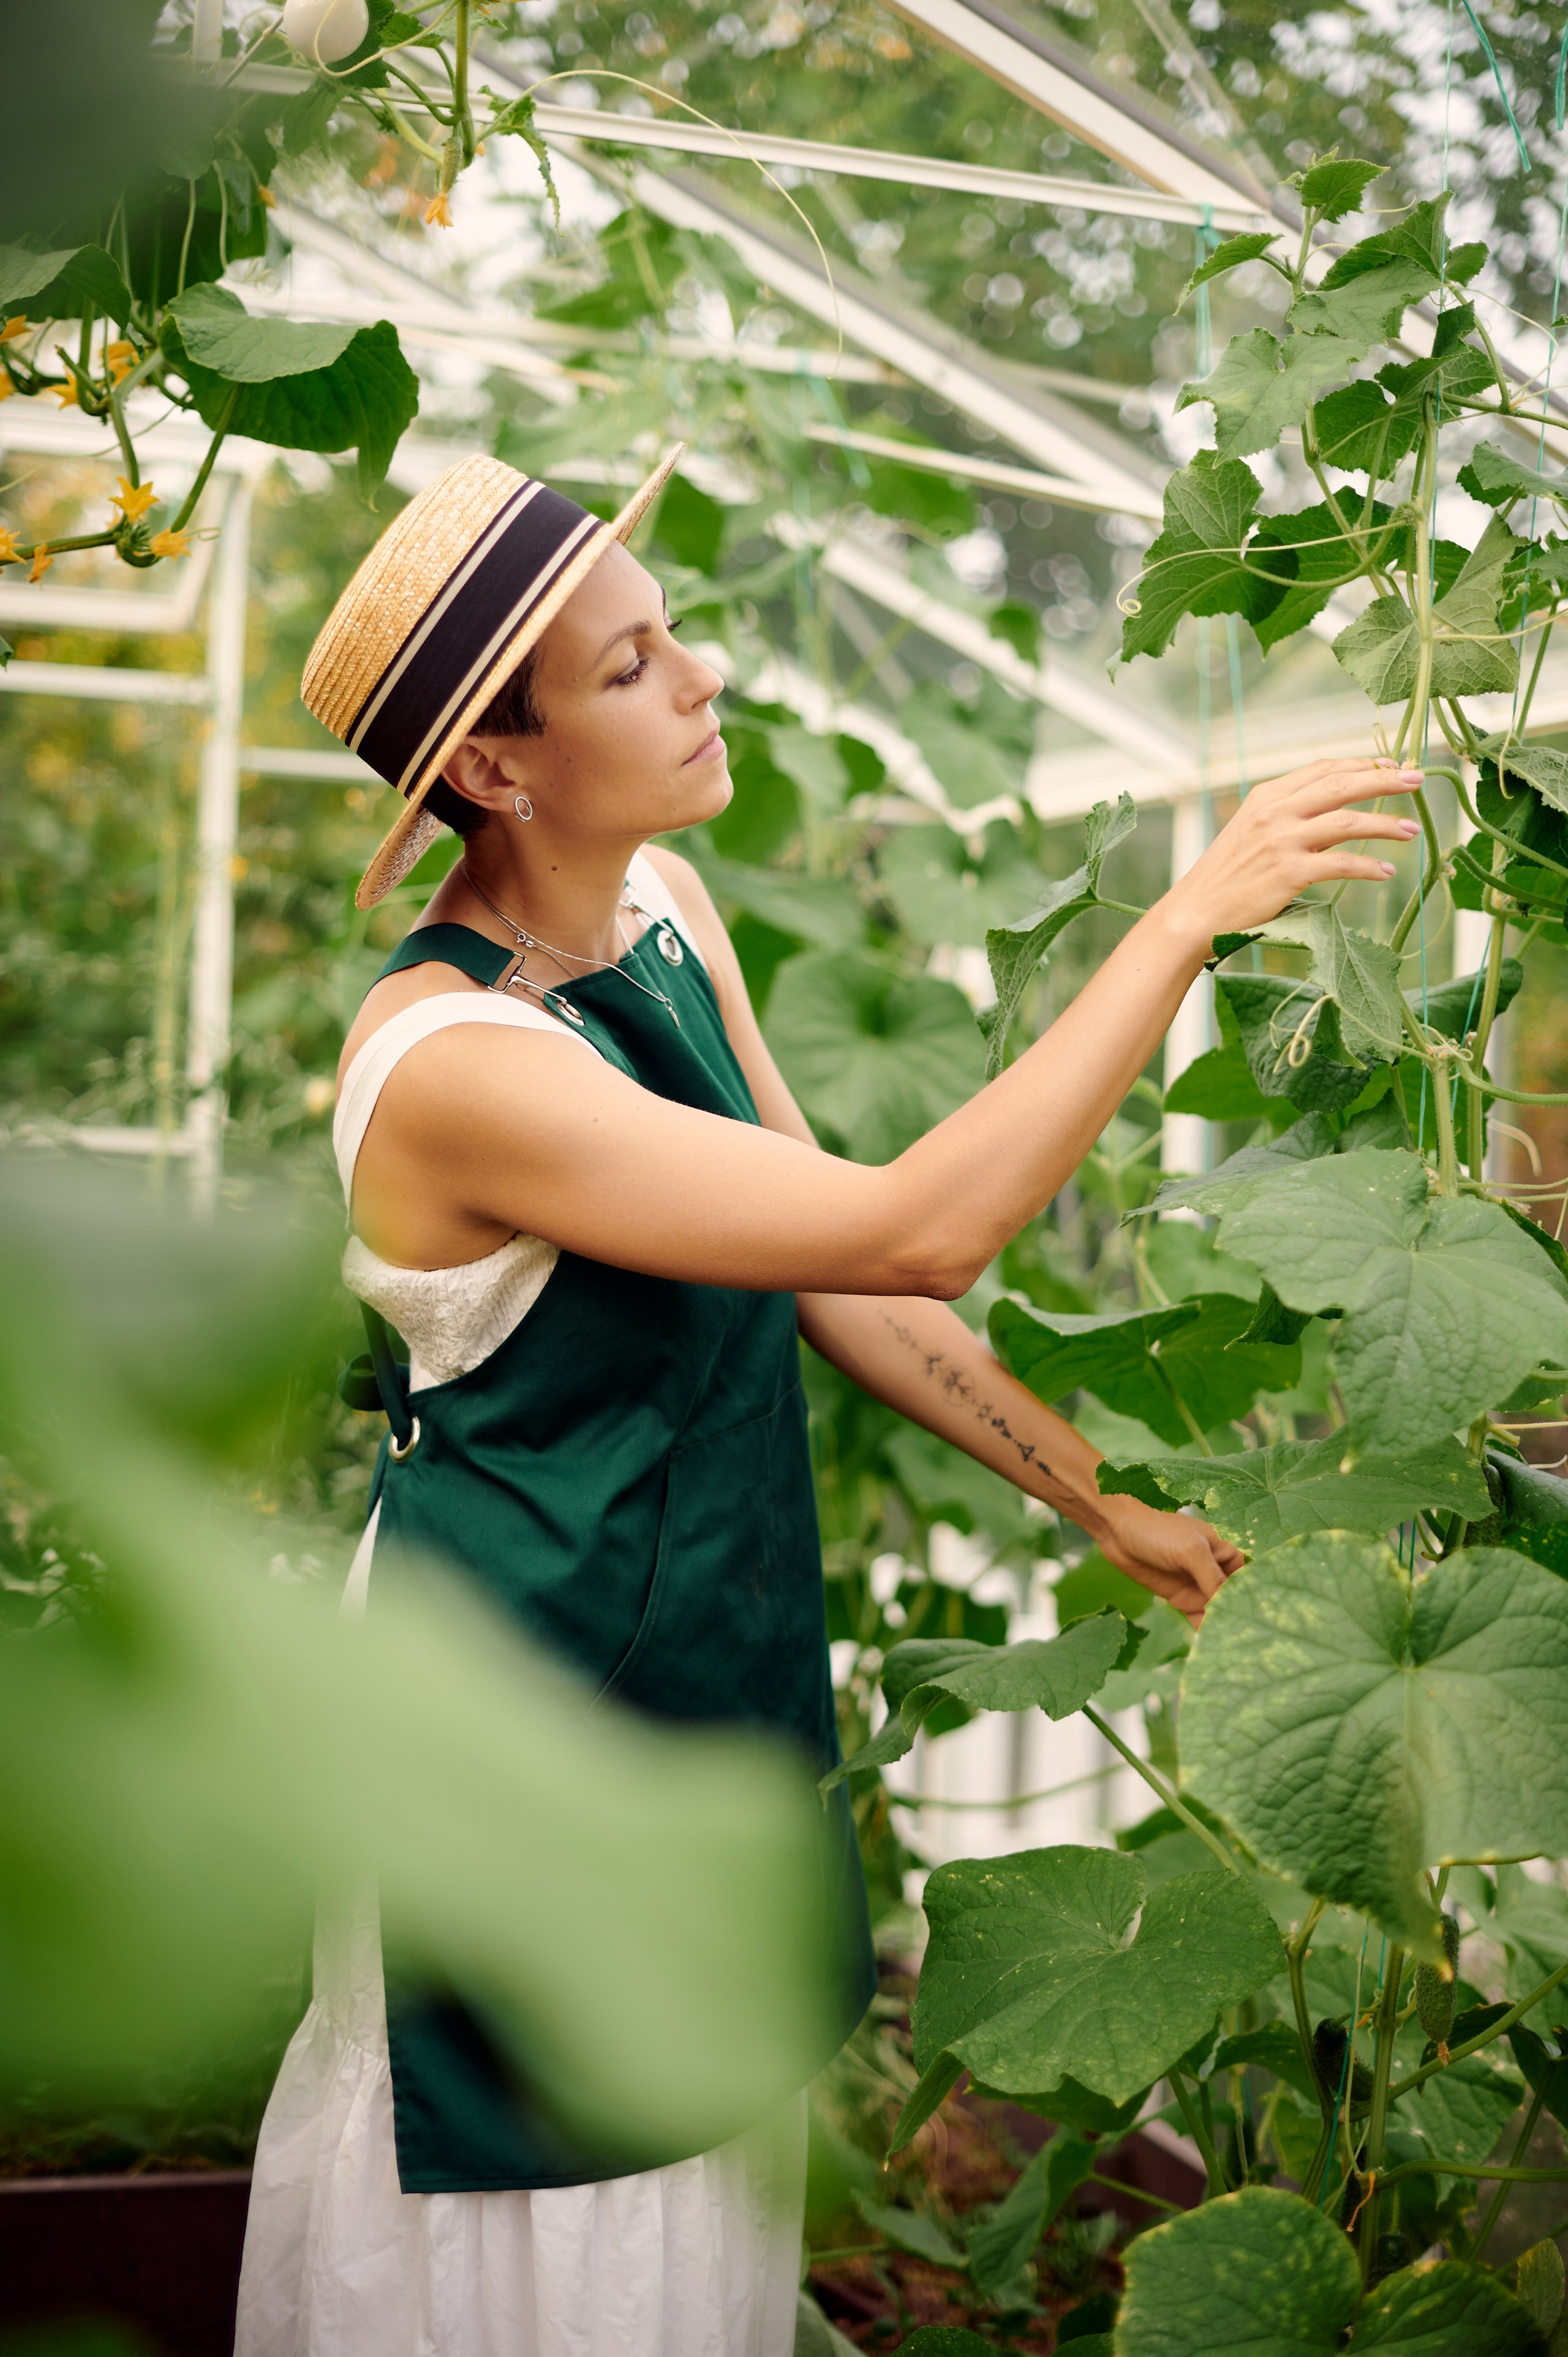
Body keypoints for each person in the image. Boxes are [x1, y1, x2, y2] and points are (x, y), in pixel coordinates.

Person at [233, 448, 1424, 2357]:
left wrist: (1097, 1497)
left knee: (685, 2191)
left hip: (696, 1660)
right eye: (628, 669)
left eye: (670, 635)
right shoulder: (457, 1061)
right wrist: (1185, 912)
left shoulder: (663, 918)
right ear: (491, 767)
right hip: (526, 1720)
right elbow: (919, 1219)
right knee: (553, 2205)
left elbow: (846, 1278)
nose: (700, 676)